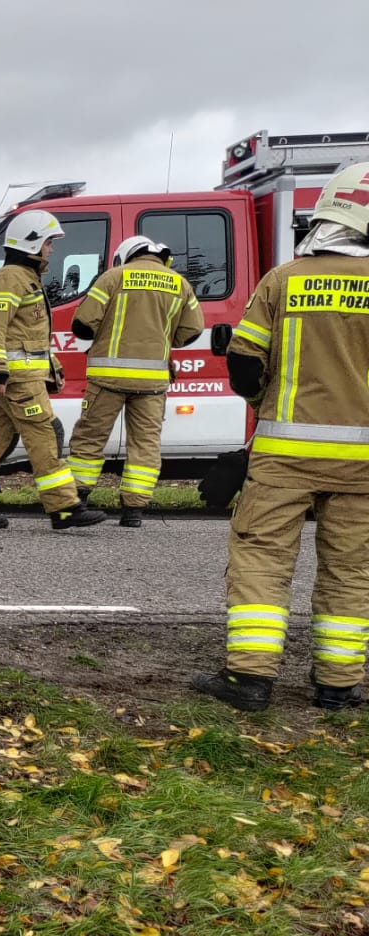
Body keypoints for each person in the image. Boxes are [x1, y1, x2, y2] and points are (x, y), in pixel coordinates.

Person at [192, 162, 369, 711]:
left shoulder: (284, 280)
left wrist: (263, 408)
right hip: (364, 465)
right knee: (350, 569)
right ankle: (338, 685)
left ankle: (250, 679)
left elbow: (245, 364)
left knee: (262, 558)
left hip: (284, 459)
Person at [0, 209, 107, 530]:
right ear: (32, 243)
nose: (52, 249)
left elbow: (26, 335)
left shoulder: (24, 278)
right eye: (49, 242)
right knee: (45, 434)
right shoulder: (10, 278)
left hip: (17, 378)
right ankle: (64, 508)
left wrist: (52, 368)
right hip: (16, 380)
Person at [67, 235, 206, 526]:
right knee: (145, 444)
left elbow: (83, 324)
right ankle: (134, 511)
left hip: (108, 378)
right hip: (152, 383)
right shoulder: (179, 283)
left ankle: (77, 499)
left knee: (90, 438)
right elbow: (192, 330)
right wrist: (162, 340)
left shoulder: (113, 277)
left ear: (125, 255)